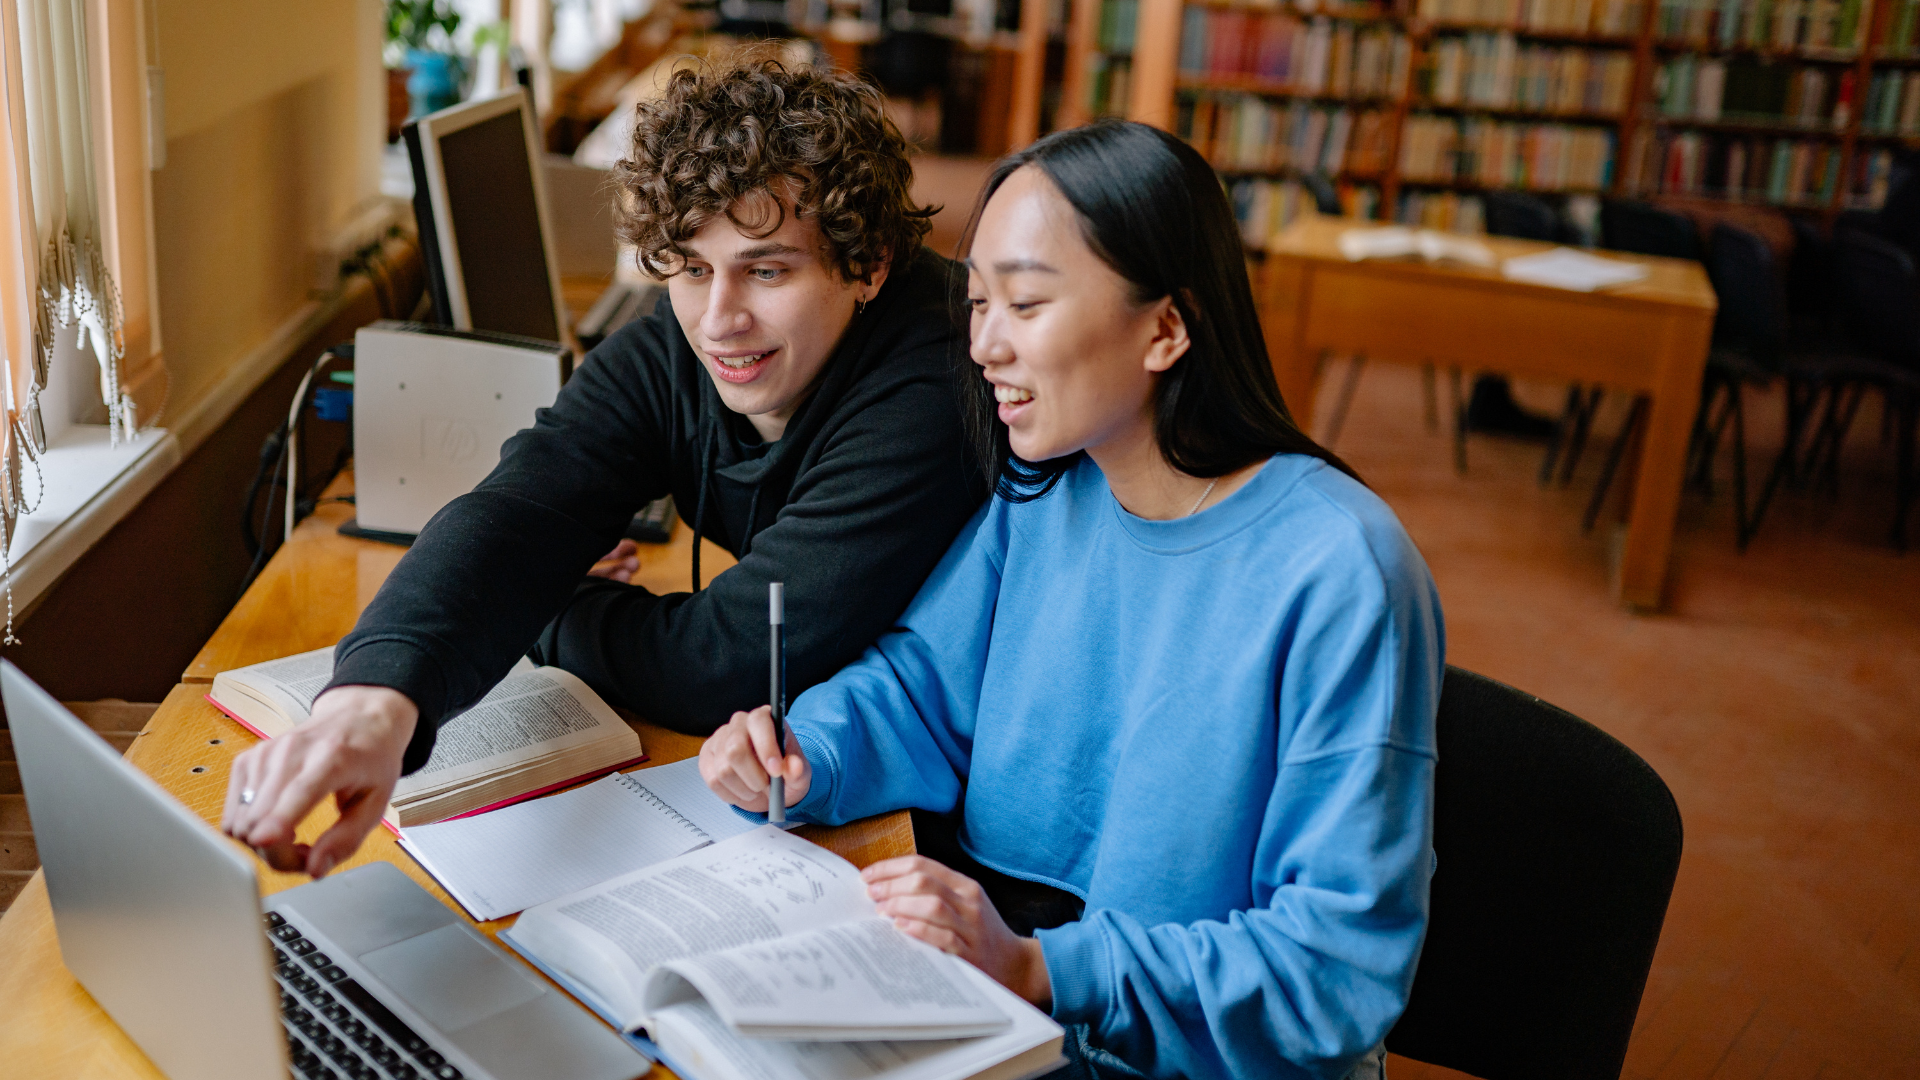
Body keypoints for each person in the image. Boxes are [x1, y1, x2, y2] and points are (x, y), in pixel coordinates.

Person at [700, 119, 1444, 1080]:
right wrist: (809, 752)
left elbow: (1331, 969)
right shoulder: (1049, 489)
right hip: (1028, 1015)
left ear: (1166, 327)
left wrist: (1042, 968)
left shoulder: (1342, 570)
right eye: (976, 303)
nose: (984, 346)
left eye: (1026, 303)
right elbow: (926, 684)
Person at [222, 54, 981, 879]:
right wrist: (372, 703)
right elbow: (524, 505)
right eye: (691, 267)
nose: (718, 320)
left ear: (865, 264)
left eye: (766, 269)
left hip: (953, 836)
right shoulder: (683, 339)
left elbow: (724, 662)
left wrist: (555, 602)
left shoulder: (938, 374)